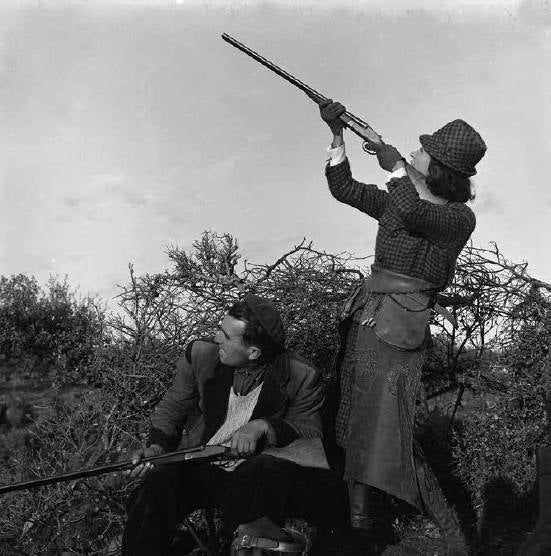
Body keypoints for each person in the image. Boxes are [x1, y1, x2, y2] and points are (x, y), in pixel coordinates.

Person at [318, 100, 487, 555]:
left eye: (421, 153)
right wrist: (339, 136)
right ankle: (358, 529)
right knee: (351, 421)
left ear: (439, 171)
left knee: (397, 438)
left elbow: (415, 213)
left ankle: (455, 541)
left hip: (397, 330)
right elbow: (346, 190)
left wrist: (394, 166)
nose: (414, 154)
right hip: (368, 319)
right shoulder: (404, 197)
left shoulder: (456, 219)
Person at [121, 293, 345, 556]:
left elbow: (311, 433)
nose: (217, 338)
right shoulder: (200, 355)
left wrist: (264, 427)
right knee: (157, 484)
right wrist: (156, 448)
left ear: (253, 352)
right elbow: (172, 408)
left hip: (253, 476)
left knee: (263, 473)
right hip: (201, 465)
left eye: (226, 336)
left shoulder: (301, 376)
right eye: (220, 330)